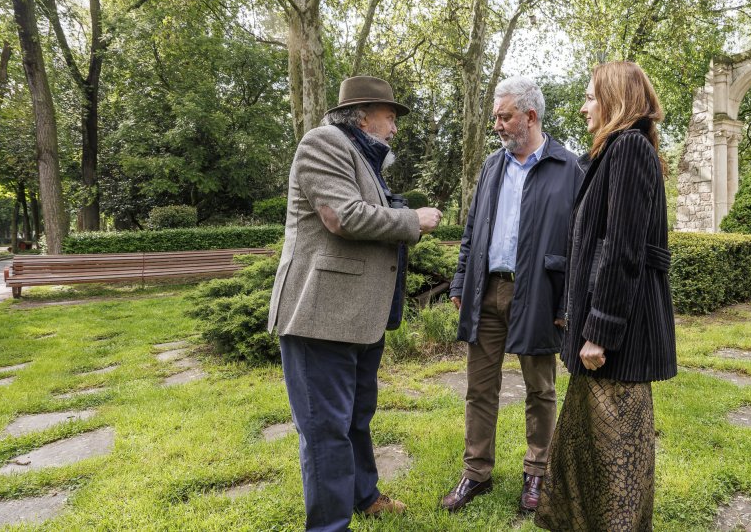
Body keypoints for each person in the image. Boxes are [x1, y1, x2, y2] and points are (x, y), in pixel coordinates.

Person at [268, 75, 443, 532]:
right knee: (326, 431)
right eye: (390, 117)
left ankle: (365, 496)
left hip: (358, 318)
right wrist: (413, 220)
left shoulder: (363, 157)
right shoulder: (323, 143)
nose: (395, 127)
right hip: (319, 317)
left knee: (356, 417)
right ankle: (329, 525)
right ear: (363, 116)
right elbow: (342, 217)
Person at [534, 61, 677, 531]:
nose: (583, 107)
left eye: (590, 97)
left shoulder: (630, 148)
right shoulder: (613, 153)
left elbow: (623, 250)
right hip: (600, 332)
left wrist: (600, 330)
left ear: (615, 100)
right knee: (586, 448)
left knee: (619, 460)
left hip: (620, 338)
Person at [441, 76, 584, 514]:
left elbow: (580, 244)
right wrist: (462, 284)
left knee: (540, 389)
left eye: (504, 117)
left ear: (530, 116)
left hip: (538, 294)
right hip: (487, 292)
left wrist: (566, 305)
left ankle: (536, 474)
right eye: (496, 118)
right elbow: (472, 232)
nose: (498, 125)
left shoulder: (569, 168)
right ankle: (476, 472)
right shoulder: (491, 166)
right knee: (478, 388)